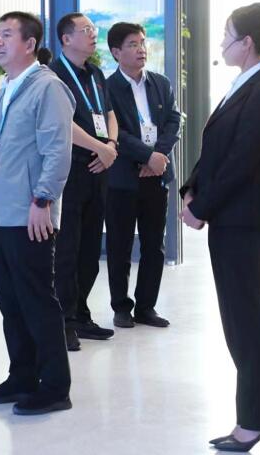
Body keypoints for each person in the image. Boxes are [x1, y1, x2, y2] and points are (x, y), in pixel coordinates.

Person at [181, 3, 260, 452]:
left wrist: (202, 207)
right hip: (230, 221)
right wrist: (191, 189)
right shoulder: (245, 85)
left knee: (248, 323)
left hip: (244, 224)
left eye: (227, 34)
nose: (221, 41)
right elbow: (217, 149)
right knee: (238, 321)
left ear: (246, 43)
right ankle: (252, 418)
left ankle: (256, 421)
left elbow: (241, 162)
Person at [0, 11, 74, 415]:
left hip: (30, 213)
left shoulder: (48, 88)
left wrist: (43, 200)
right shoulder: (4, 91)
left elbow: (58, 150)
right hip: (0, 212)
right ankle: (22, 376)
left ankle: (55, 387)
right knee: (11, 303)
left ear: (30, 44)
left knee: (37, 301)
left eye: (7, 35)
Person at [48, 13, 118, 351]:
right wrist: (100, 148)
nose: (93, 34)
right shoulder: (53, 75)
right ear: (66, 39)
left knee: (90, 248)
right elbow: (62, 122)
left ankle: (81, 312)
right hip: (71, 169)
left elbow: (109, 114)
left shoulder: (96, 73)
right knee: (67, 249)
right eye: (87, 30)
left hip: (99, 167)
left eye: (93, 29)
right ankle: (63, 321)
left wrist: (111, 146)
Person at [105, 22, 180, 328]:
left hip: (155, 176)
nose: (141, 49)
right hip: (122, 178)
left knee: (154, 245)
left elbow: (173, 120)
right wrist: (146, 156)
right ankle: (121, 307)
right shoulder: (108, 88)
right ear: (116, 52)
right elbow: (114, 132)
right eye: (133, 44)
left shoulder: (160, 83)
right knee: (120, 246)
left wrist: (157, 156)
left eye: (143, 43)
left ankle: (146, 307)